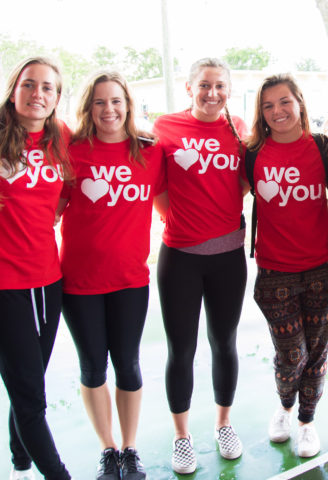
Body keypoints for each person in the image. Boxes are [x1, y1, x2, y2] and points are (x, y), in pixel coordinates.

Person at [58, 71, 164, 480]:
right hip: (80, 282)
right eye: (100, 102)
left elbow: (171, 204)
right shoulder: (71, 152)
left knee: (129, 365)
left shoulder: (149, 153)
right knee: (92, 368)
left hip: (130, 281)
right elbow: (48, 207)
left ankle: (130, 449)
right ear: (88, 108)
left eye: (116, 101)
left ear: (128, 105)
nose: (109, 109)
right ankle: (108, 450)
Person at [152, 57, 247, 475]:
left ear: (229, 89)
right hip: (180, 258)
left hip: (229, 257)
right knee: (182, 349)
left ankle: (224, 424)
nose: (213, 94)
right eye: (204, 86)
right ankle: (182, 436)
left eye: (220, 86)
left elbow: (244, 181)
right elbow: (159, 190)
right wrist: (186, 223)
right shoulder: (166, 128)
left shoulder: (239, 129)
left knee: (224, 343)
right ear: (189, 88)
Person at [245, 73, 328, 458]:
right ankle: (284, 408)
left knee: (316, 352)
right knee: (292, 353)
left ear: (299, 102)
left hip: (321, 270)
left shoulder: (321, 147)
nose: (277, 111)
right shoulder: (251, 154)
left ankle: (306, 421)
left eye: (284, 102)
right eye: (268, 106)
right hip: (274, 273)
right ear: (261, 113)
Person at [0, 57, 72, 480]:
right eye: (29, 85)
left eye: (47, 88)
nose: (37, 94)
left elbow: (63, 194)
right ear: (14, 90)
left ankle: (20, 459)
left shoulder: (60, 137)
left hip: (48, 280)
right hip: (6, 287)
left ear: (56, 98)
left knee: (27, 380)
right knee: (31, 395)